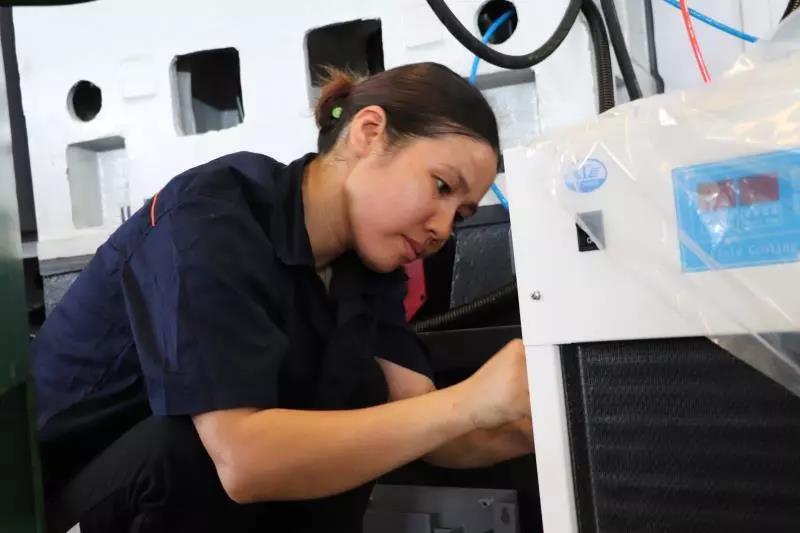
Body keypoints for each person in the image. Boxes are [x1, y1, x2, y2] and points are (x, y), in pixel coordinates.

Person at [32, 62, 532, 533]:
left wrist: (539, 419)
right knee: (189, 446)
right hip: (54, 501)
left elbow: (423, 417)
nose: (442, 229)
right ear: (369, 132)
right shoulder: (210, 221)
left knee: (361, 396)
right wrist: (469, 401)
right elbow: (243, 462)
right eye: (441, 186)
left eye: (460, 215)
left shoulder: (365, 268)